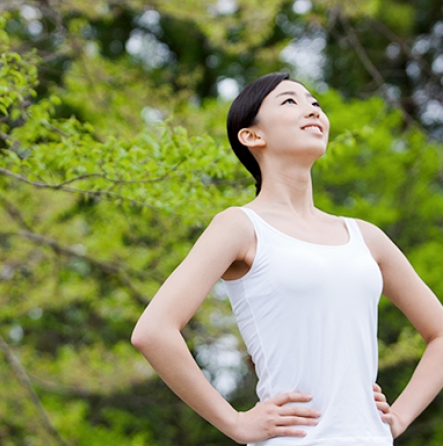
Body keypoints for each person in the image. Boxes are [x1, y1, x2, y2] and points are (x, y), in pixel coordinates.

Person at [131, 72, 443, 445]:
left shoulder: (366, 237)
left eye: (315, 103)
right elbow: (153, 332)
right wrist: (236, 423)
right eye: (290, 101)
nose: (312, 109)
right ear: (252, 136)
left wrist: (401, 415)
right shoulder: (240, 226)